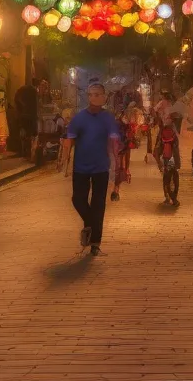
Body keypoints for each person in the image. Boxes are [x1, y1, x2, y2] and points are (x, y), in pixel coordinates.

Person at [63, 82, 122, 256]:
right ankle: (91, 224)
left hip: (101, 167)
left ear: (104, 97)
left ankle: (95, 242)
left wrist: (117, 162)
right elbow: (69, 142)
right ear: (87, 97)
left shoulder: (108, 118)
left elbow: (114, 141)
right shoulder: (79, 118)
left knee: (98, 204)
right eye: (91, 94)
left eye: (98, 94)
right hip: (80, 166)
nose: (94, 97)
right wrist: (64, 163)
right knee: (78, 199)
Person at [14, 77, 39, 158]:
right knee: (30, 134)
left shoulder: (23, 90)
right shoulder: (32, 92)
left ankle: (25, 152)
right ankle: (28, 153)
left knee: (25, 134)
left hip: (24, 116)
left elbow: (17, 101)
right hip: (29, 117)